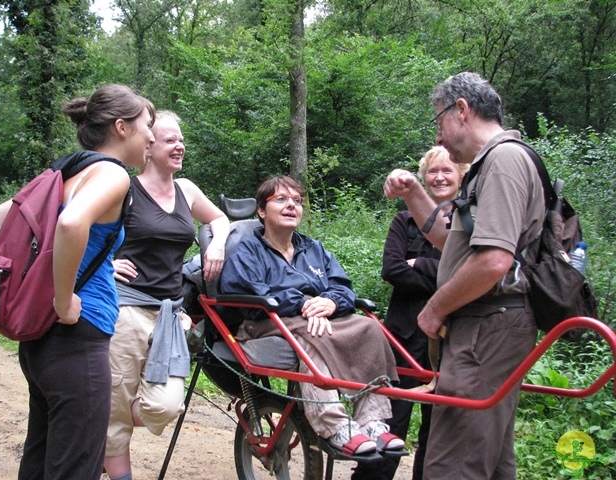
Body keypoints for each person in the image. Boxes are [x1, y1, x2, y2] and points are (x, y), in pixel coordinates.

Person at [0, 84, 155, 480]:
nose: (151, 135)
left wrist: (39, 286)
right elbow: (71, 223)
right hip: (78, 339)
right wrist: (62, 301)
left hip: (41, 345)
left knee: (41, 461)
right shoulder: (112, 173)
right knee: (75, 467)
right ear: (122, 127)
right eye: (148, 124)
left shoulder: (68, 170)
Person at [384, 72, 546, 479]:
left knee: (451, 464)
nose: (439, 137)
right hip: (486, 328)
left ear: (461, 110)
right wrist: (413, 193)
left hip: (486, 329)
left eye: (439, 121)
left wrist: (434, 310)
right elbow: (450, 240)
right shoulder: (488, 165)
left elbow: (493, 261)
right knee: (490, 462)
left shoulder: (505, 160)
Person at [219, 175, 405, 456]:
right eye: (280, 199)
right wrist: (305, 303)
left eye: (297, 201)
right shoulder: (248, 250)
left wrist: (330, 302)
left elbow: (341, 286)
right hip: (265, 321)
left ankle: (372, 420)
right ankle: (334, 426)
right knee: (315, 332)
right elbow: (246, 290)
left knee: (370, 327)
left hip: (317, 318)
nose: (291, 205)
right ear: (261, 210)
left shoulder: (314, 249)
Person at [103, 111, 229, 480]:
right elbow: (84, 232)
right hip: (124, 309)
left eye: (181, 139)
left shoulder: (186, 190)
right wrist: (103, 265)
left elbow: (219, 219)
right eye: (171, 139)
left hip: (169, 314)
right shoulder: (124, 189)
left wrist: (217, 244)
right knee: (113, 413)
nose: (180, 146)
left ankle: (95, 428)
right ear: (149, 144)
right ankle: (112, 454)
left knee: (166, 405)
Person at [352, 146, 468, 480]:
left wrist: (422, 265)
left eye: (447, 170)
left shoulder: (464, 217)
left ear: (461, 175)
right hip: (402, 338)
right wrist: (443, 273)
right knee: (390, 420)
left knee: (439, 427)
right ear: (424, 177)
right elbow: (392, 270)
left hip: (451, 337)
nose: (440, 177)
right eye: (433, 171)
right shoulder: (404, 219)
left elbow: (467, 270)